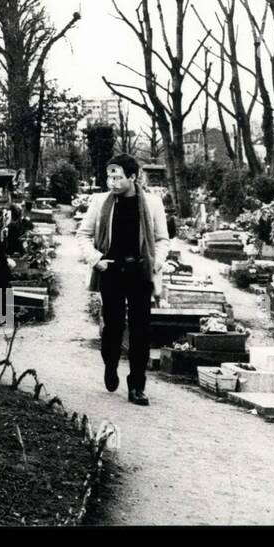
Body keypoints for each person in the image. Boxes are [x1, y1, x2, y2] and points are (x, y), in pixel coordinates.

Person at [77, 153, 170, 406]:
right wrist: (97, 259)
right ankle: (110, 363)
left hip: (140, 273)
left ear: (132, 177)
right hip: (112, 272)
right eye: (109, 176)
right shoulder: (100, 202)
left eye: (117, 177)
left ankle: (137, 385)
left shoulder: (151, 204)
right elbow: (83, 234)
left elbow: (162, 239)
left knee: (141, 330)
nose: (112, 182)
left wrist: (157, 261)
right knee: (113, 326)